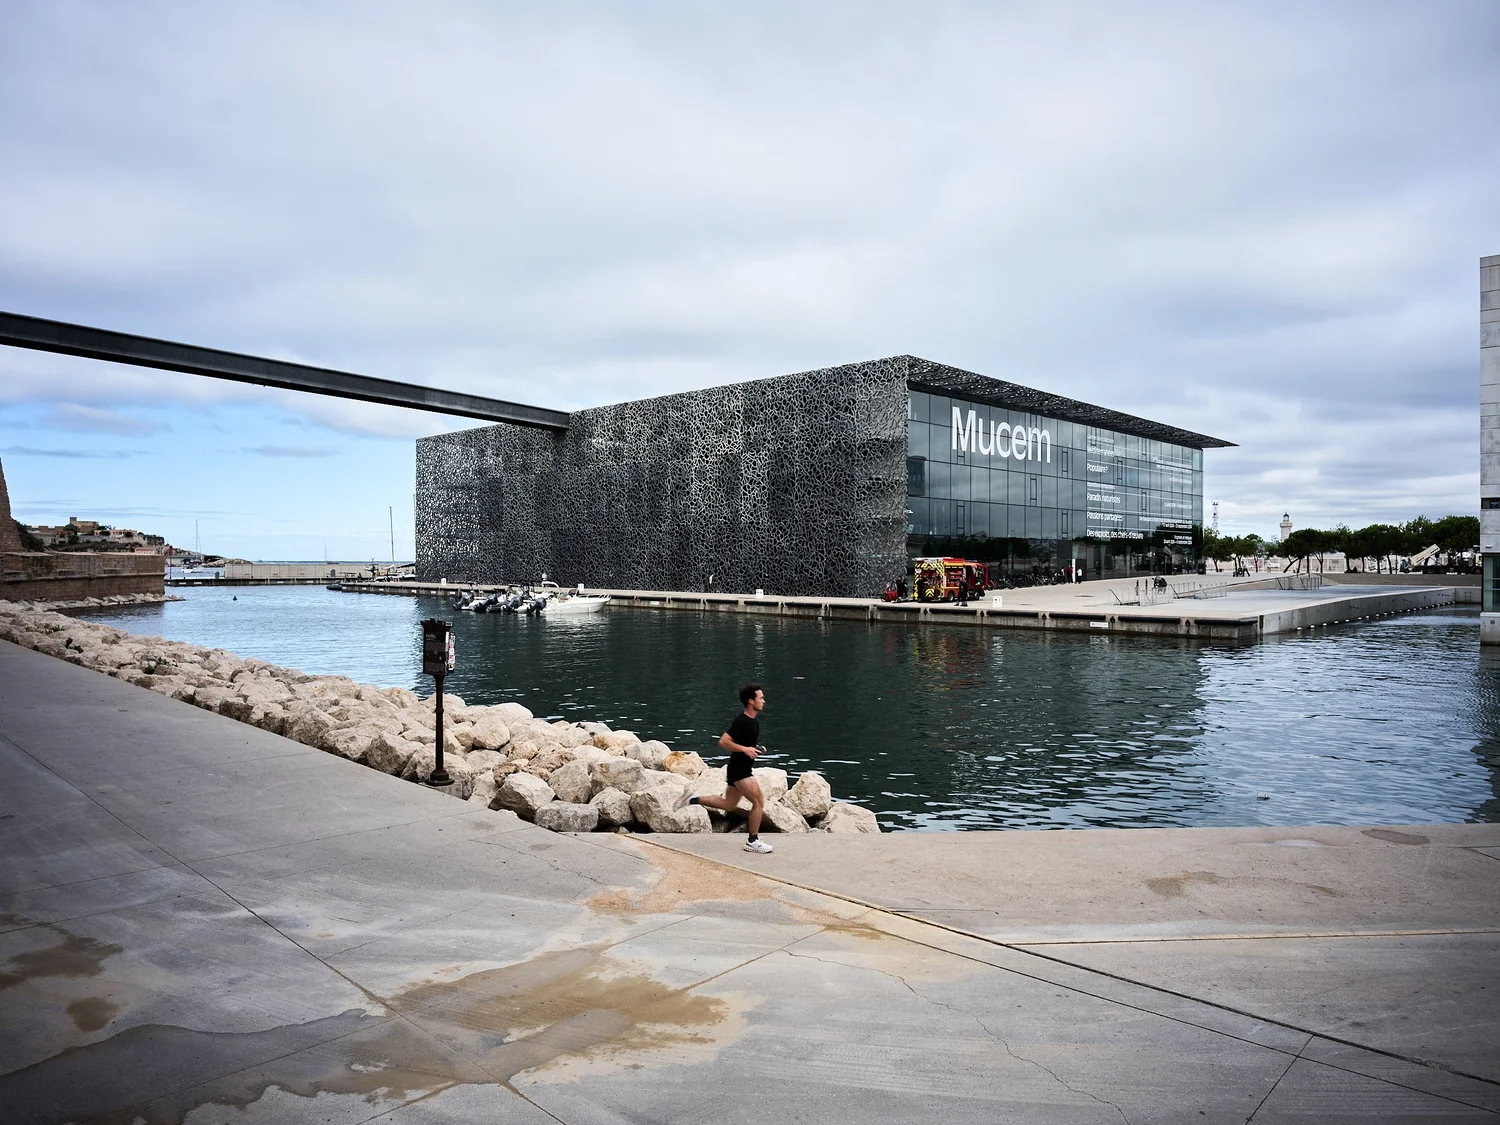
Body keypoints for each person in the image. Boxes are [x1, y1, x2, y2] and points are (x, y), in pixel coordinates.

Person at [679, 683, 773, 853]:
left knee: (729, 805)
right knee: (758, 802)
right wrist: (745, 749)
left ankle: (692, 799)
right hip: (741, 771)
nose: (764, 701)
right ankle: (752, 841)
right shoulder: (742, 721)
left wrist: (756, 749)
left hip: (737, 768)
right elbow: (723, 742)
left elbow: (744, 745)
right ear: (751, 701)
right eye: (761, 698)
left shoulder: (753, 722)